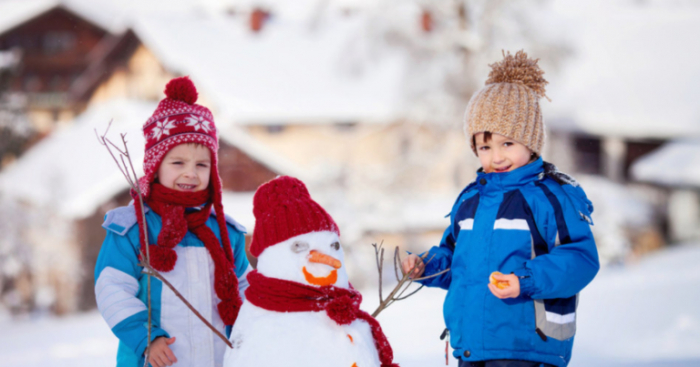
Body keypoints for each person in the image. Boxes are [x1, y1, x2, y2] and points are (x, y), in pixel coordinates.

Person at [402, 51, 600, 367]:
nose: (496, 156)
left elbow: (580, 258)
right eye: (485, 146)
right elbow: (455, 260)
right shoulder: (471, 200)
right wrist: (426, 266)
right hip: (472, 347)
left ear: (531, 141)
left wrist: (525, 280)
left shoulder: (550, 196)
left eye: (507, 143)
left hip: (527, 345)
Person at [94, 77, 251, 367]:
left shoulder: (226, 233)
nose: (190, 173)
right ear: (155, 167)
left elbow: (246, 290)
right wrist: (147, 338)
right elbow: (112, 288)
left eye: (201, 164)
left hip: (221, 358)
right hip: (154, 358)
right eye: (178, 163)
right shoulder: (134, 229)